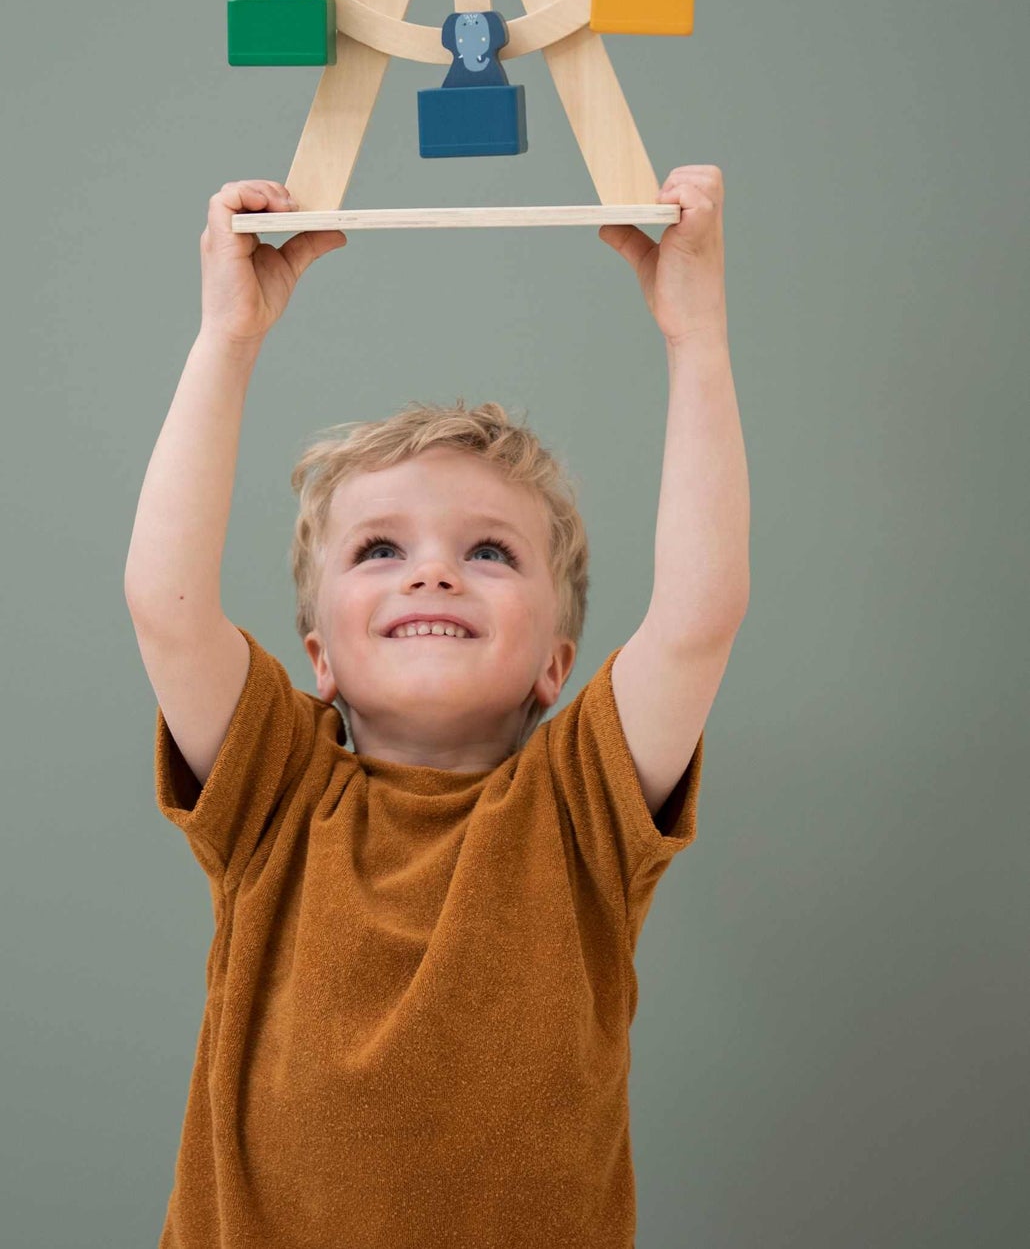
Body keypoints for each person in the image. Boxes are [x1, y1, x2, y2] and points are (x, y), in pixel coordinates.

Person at [124, 170, 750, 1249]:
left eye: (489, 552)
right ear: (316, 656)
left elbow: (696, 618)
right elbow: (165, 607)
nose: (432, 576)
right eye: (378, 549)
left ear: (556, 667)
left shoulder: (580, 809)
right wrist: (226, 338)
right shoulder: (275, 790)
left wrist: (695, 335)